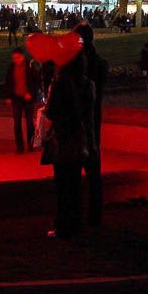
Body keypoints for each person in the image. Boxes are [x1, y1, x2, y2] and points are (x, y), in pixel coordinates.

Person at [43, 40, 93, 240]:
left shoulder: (61, 83)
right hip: (78, 137)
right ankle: (76, 223)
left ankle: (63, 225)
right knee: (75, 184)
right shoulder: (86, 83)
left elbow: (51, 111)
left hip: (63, 137)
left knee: (63, 184)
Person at [75, 23, 107, 228]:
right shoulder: (100, 64)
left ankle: (76, 217)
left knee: (73, 174)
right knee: (94, 174)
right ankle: (95, 218)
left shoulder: (77, 66)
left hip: (77, 125)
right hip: (93, 123)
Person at [6, 46, 42, 153]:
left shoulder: (30, 66)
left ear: (23, 57)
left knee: (29, 122)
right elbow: (8, 82)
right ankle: (19, 146)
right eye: (14, 58)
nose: (16, 60)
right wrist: (9, 96)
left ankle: (31, 144)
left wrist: (31, 93)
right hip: (16, 98)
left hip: (28, 99)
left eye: (18, 58)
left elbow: (37, 82)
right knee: (17, 123)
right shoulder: (11, 67)